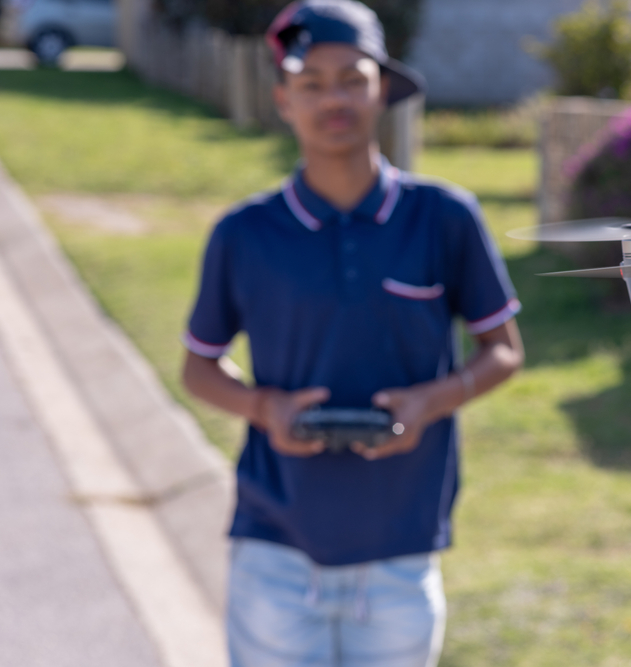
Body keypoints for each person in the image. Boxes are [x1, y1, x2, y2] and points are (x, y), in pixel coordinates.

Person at [179, 1, 524, 665]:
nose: (332, 98)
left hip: (402, 549)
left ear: (383, 88)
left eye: (352, 78)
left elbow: (503, 350)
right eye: (311, 83)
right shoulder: (243, 233)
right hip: (275, 550)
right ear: (283, 99)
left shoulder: (443, 216)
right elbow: (199, 366)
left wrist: (432, 400)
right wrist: (262, 407)